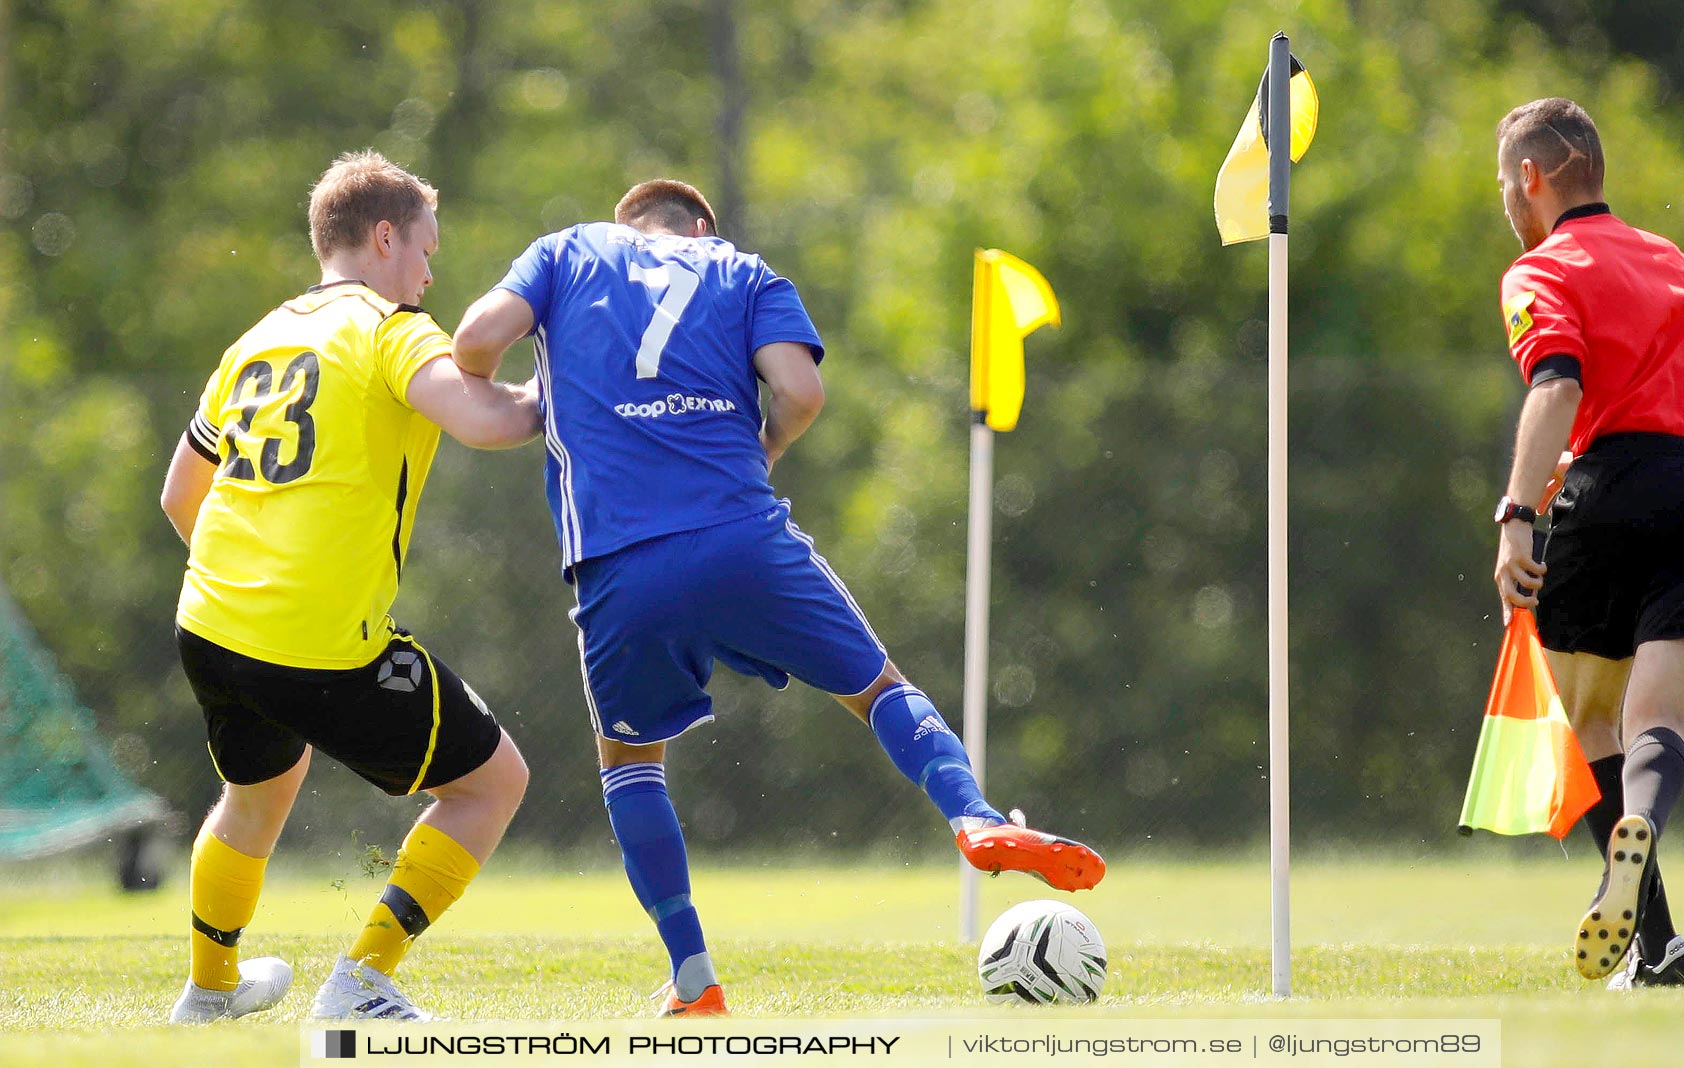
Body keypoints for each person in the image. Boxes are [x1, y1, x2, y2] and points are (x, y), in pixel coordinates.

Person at [452, 179, 1106, 1017]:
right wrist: (762, 449)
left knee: (630, 761)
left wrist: (525, 399)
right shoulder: (748, 273)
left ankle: (694, 975)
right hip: (741, 534)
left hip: (617, 558)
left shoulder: (568, 250)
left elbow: (476, 338)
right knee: (877, 690)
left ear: (633, 223)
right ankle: (973, 816)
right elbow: (802, 393)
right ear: (699, 228)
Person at [160, 151, 541, 1023]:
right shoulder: (392, 328)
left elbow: (181, 493)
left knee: (257, 794)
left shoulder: (258, 336)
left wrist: (250, 587)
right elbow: (487, 420)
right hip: (317, 638)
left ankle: (210, 993)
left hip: (209, 623)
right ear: (382, 238)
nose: (431, 271)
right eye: (425, 250)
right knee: (492, 784)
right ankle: (362, 980)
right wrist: (572, 394)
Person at [1488, 99, 1684, 989]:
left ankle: (1646, 928)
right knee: (1658, 716)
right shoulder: (1673, 259)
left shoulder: (1540, 268)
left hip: (1618, 485)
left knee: (1586, 715)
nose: (1505, 195)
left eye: (1505, 180)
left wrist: (1515, 512)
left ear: (1531, 178)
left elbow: (1558, 386)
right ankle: (1661, 945)